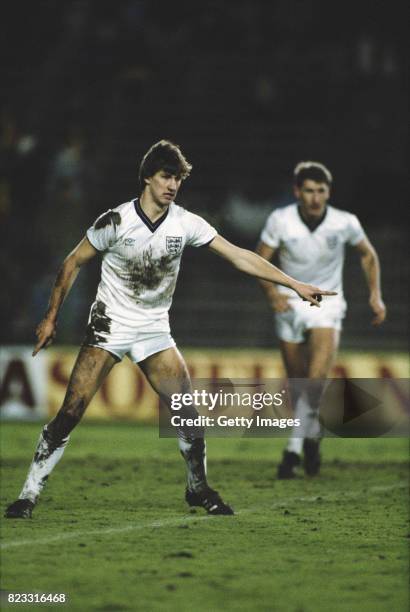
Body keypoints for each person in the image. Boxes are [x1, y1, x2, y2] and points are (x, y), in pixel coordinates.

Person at [5, 142, 335, 519]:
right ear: (147, 177)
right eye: (166, 176)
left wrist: (293, 284)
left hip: (154, 331)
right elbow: (70, 263)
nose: (172, 184)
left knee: (187, 414)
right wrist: (50, 318)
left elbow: (239, 255)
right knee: (71, 412)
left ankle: (198, 489)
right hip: (110, 326)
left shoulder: (185, 222)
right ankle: (28, 495)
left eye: (178, 178)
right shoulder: (115, 221)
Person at [256, 161, 386, 479]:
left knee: (314, 384)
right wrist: (273, 296)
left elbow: (367, 253)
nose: (316, 198)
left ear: (329, 192)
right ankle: (312, 436)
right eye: (310, 191)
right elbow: (260, 259)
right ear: (297, 192)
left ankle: (292, 452)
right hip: (289, 304)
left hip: (327, 305)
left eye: (321, 191)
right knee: (301, 389)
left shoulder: (344, 222)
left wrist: (375, 295)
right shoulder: (280, 220)